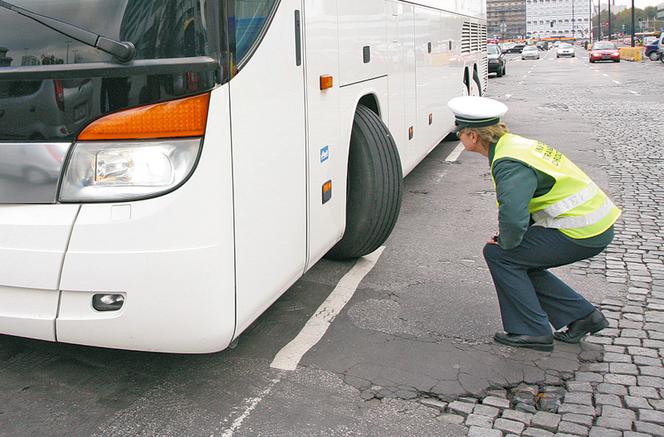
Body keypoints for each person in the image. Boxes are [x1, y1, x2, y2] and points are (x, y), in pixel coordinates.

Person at [447, 96, 620, 352]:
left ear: (472, 136)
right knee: (519, 259)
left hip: (583, 230)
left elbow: (514, 213)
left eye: (459, 132)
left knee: (500, 255)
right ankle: (583, 317)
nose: (458, 137)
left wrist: (505, 242)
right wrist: (509, 238)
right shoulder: (513, 146)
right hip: (593, 225)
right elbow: (528, 206)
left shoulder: (508, 163)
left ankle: (531, 331)